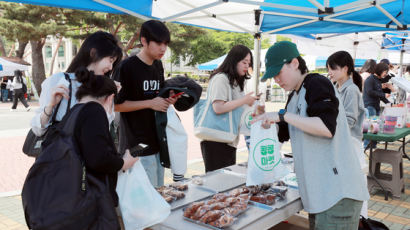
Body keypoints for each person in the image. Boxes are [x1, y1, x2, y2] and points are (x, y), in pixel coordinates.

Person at [254, 41, 369, 229]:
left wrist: (282, 115)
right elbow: (282, 133)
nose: (276, 79)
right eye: (273, 76)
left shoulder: (317, 83)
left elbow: (326, 128)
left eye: (278, 72)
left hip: (338, 193)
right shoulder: (293, 97)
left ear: (294, 63)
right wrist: (264, 122)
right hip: (319, 194)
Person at [114, 20, 177, 187]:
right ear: (144, 41)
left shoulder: (158, 65)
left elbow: (158, 97)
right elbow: (114, 105)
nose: (163, 48)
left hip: (158, 142)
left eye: (166, 44)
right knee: (146, 202)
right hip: (136, 145)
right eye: (158, 43)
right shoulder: (126, 67)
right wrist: (150, 103)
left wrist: (169, 99)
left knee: (159, 193)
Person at [73, 69, 138, 224]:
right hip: (92, 199)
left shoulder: (74, 111)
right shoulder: (94, 111)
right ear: (110, 98)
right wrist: (124, 163)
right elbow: (99, 159)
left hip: (74, 194)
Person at [30, 31, 122, 137]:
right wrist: (50, 106)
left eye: (113, 63)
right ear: (93, 53)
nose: (111, 67)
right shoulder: (59, 81)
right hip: (62, 152)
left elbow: (101, 131)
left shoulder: (104, 89)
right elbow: (38, 131)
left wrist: (108, 103)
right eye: (110, 60)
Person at [200, 44, 257, 172]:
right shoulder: (221, 78)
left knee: (225, 184)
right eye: (244, 62)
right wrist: (244, 100)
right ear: (234, 61)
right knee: (219, 184)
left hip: (228, 140)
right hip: (216, 141)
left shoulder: (235, 81)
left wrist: (248, 103)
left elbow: (234, 106)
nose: (247, 66)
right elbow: (218, 107)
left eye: (249, 63)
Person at [326, 51, 368, 218]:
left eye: (333, 69)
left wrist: (327, 125)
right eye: (329, 69)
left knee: (354, 186)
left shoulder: (351, 90)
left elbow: (349, 121)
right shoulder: (337, 88)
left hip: (350, 144)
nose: (330, 72)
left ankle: (359, 220)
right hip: (342, 143)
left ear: (345, 68)